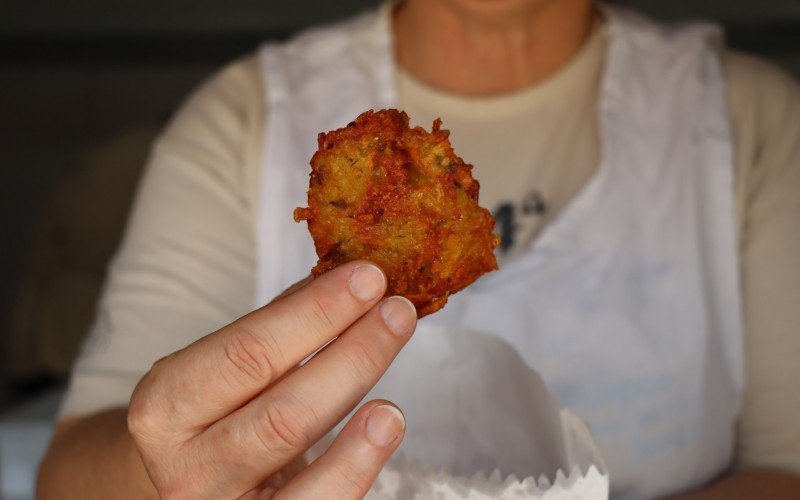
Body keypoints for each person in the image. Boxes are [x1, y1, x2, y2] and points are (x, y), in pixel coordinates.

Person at [38, 0, 800, 498]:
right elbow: (73, 469)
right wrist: (173, 471)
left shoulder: (744, 120)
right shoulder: (241, 120)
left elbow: (786, 466)